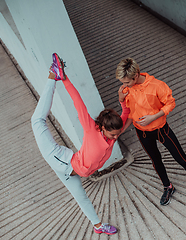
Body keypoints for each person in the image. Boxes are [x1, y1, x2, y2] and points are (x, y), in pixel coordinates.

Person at [31, 53, 129, 235]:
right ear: (103, 128)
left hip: (70, 165)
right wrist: (65, 79)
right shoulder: (92, 129)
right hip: (59, 160)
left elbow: (125, 113)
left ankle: (98, 227)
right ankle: (54, 75)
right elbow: (78, 102)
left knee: (81, 197)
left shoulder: (114, 129)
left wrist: (123, 99)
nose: (116, 137)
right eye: (113, 134)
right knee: (37, 121)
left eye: (117, 134)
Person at [116, 58, 186, 206]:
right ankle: (168, 187)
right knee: (156, 160)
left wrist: (154, 116)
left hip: (161, 130)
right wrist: (121, 105)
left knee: (182, 158)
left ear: (136, 75)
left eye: (126, 82)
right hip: (142, 133)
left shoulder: (157, 86)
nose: (124, 85)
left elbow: (171, 103)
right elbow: (128, 113)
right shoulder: (127, 90)